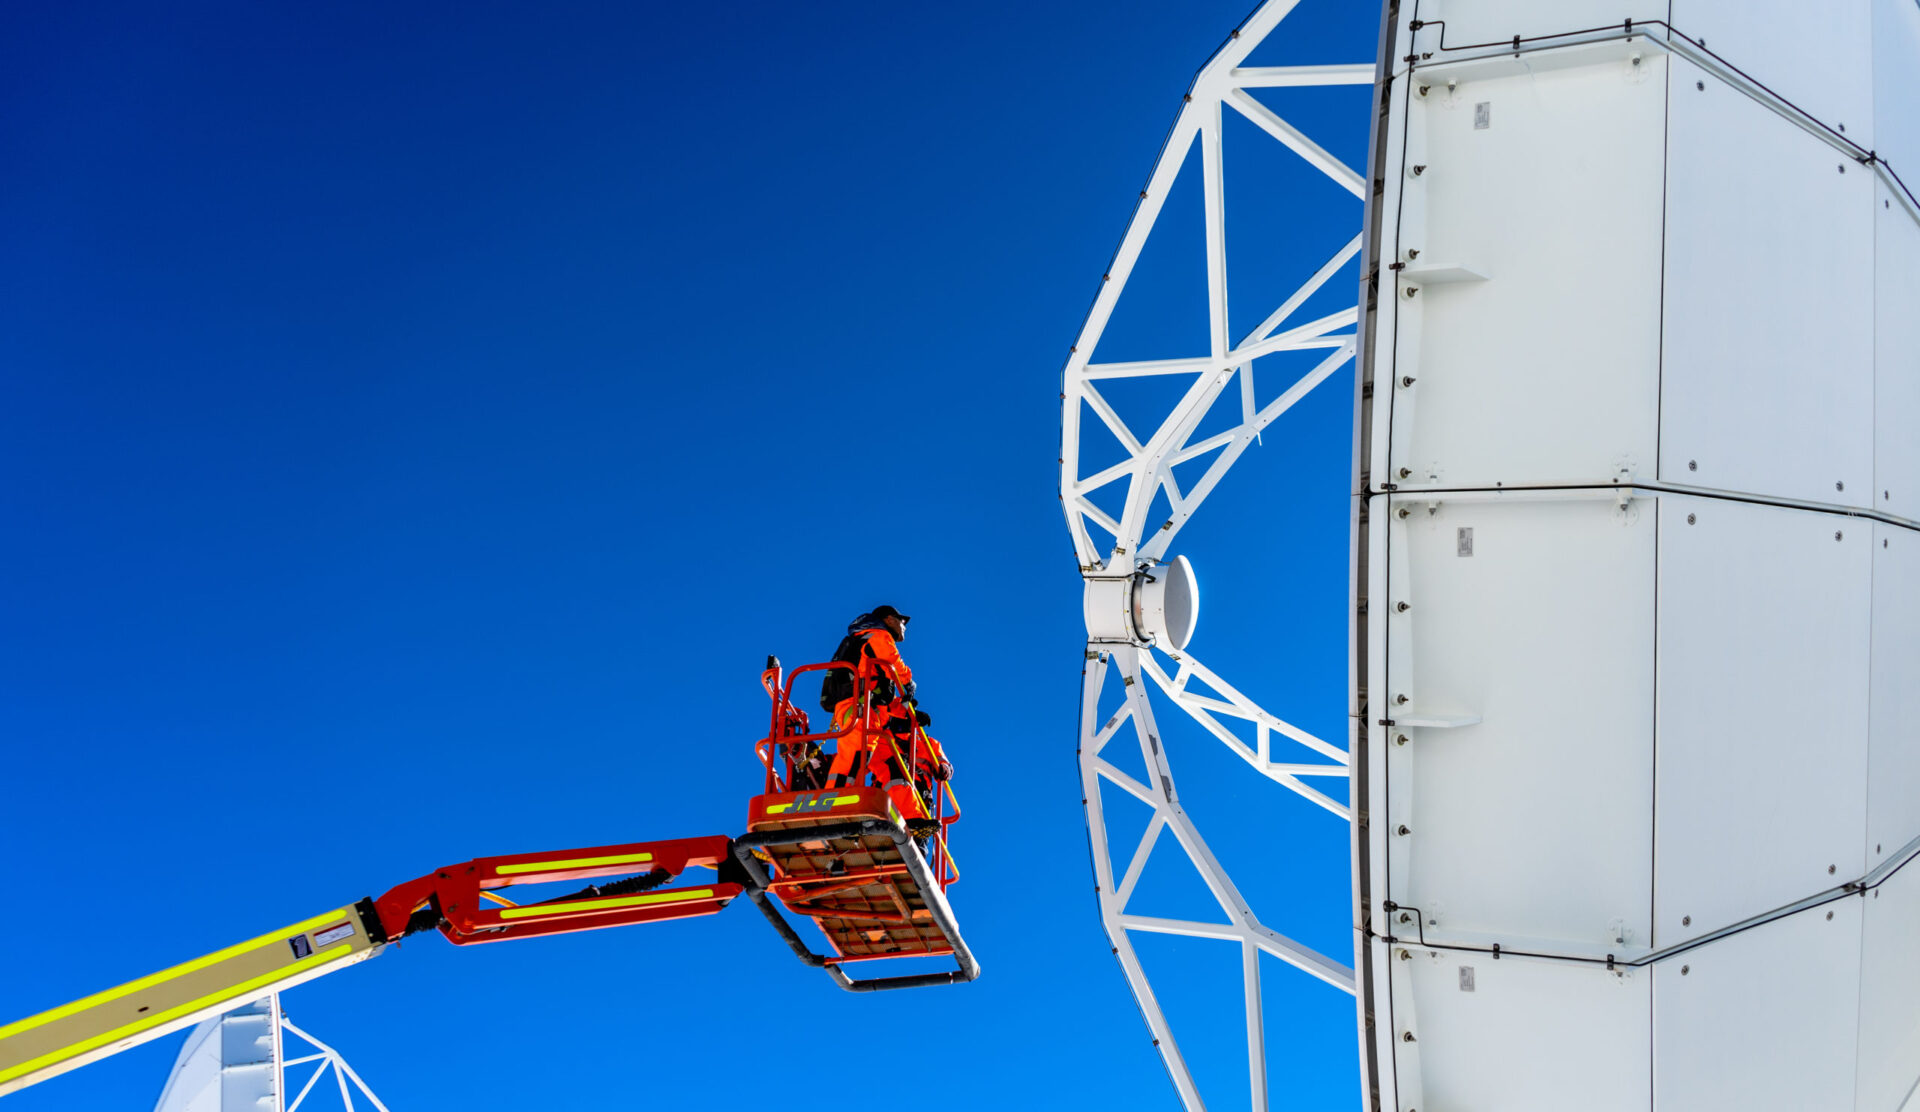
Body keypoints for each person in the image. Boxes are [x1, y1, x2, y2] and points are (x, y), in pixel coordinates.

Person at [825, 605, 918, 790]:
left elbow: (881, 693)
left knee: (882, 760)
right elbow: (892, 662)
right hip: (858, 707)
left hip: (867, 710)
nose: (904, 626)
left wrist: (905, 711)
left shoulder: (866, 639)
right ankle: (835, 799)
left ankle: (910, 815)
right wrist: (908, 682)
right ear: (889, 619)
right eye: (902, 621)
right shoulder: (878, 635)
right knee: (855, 754)